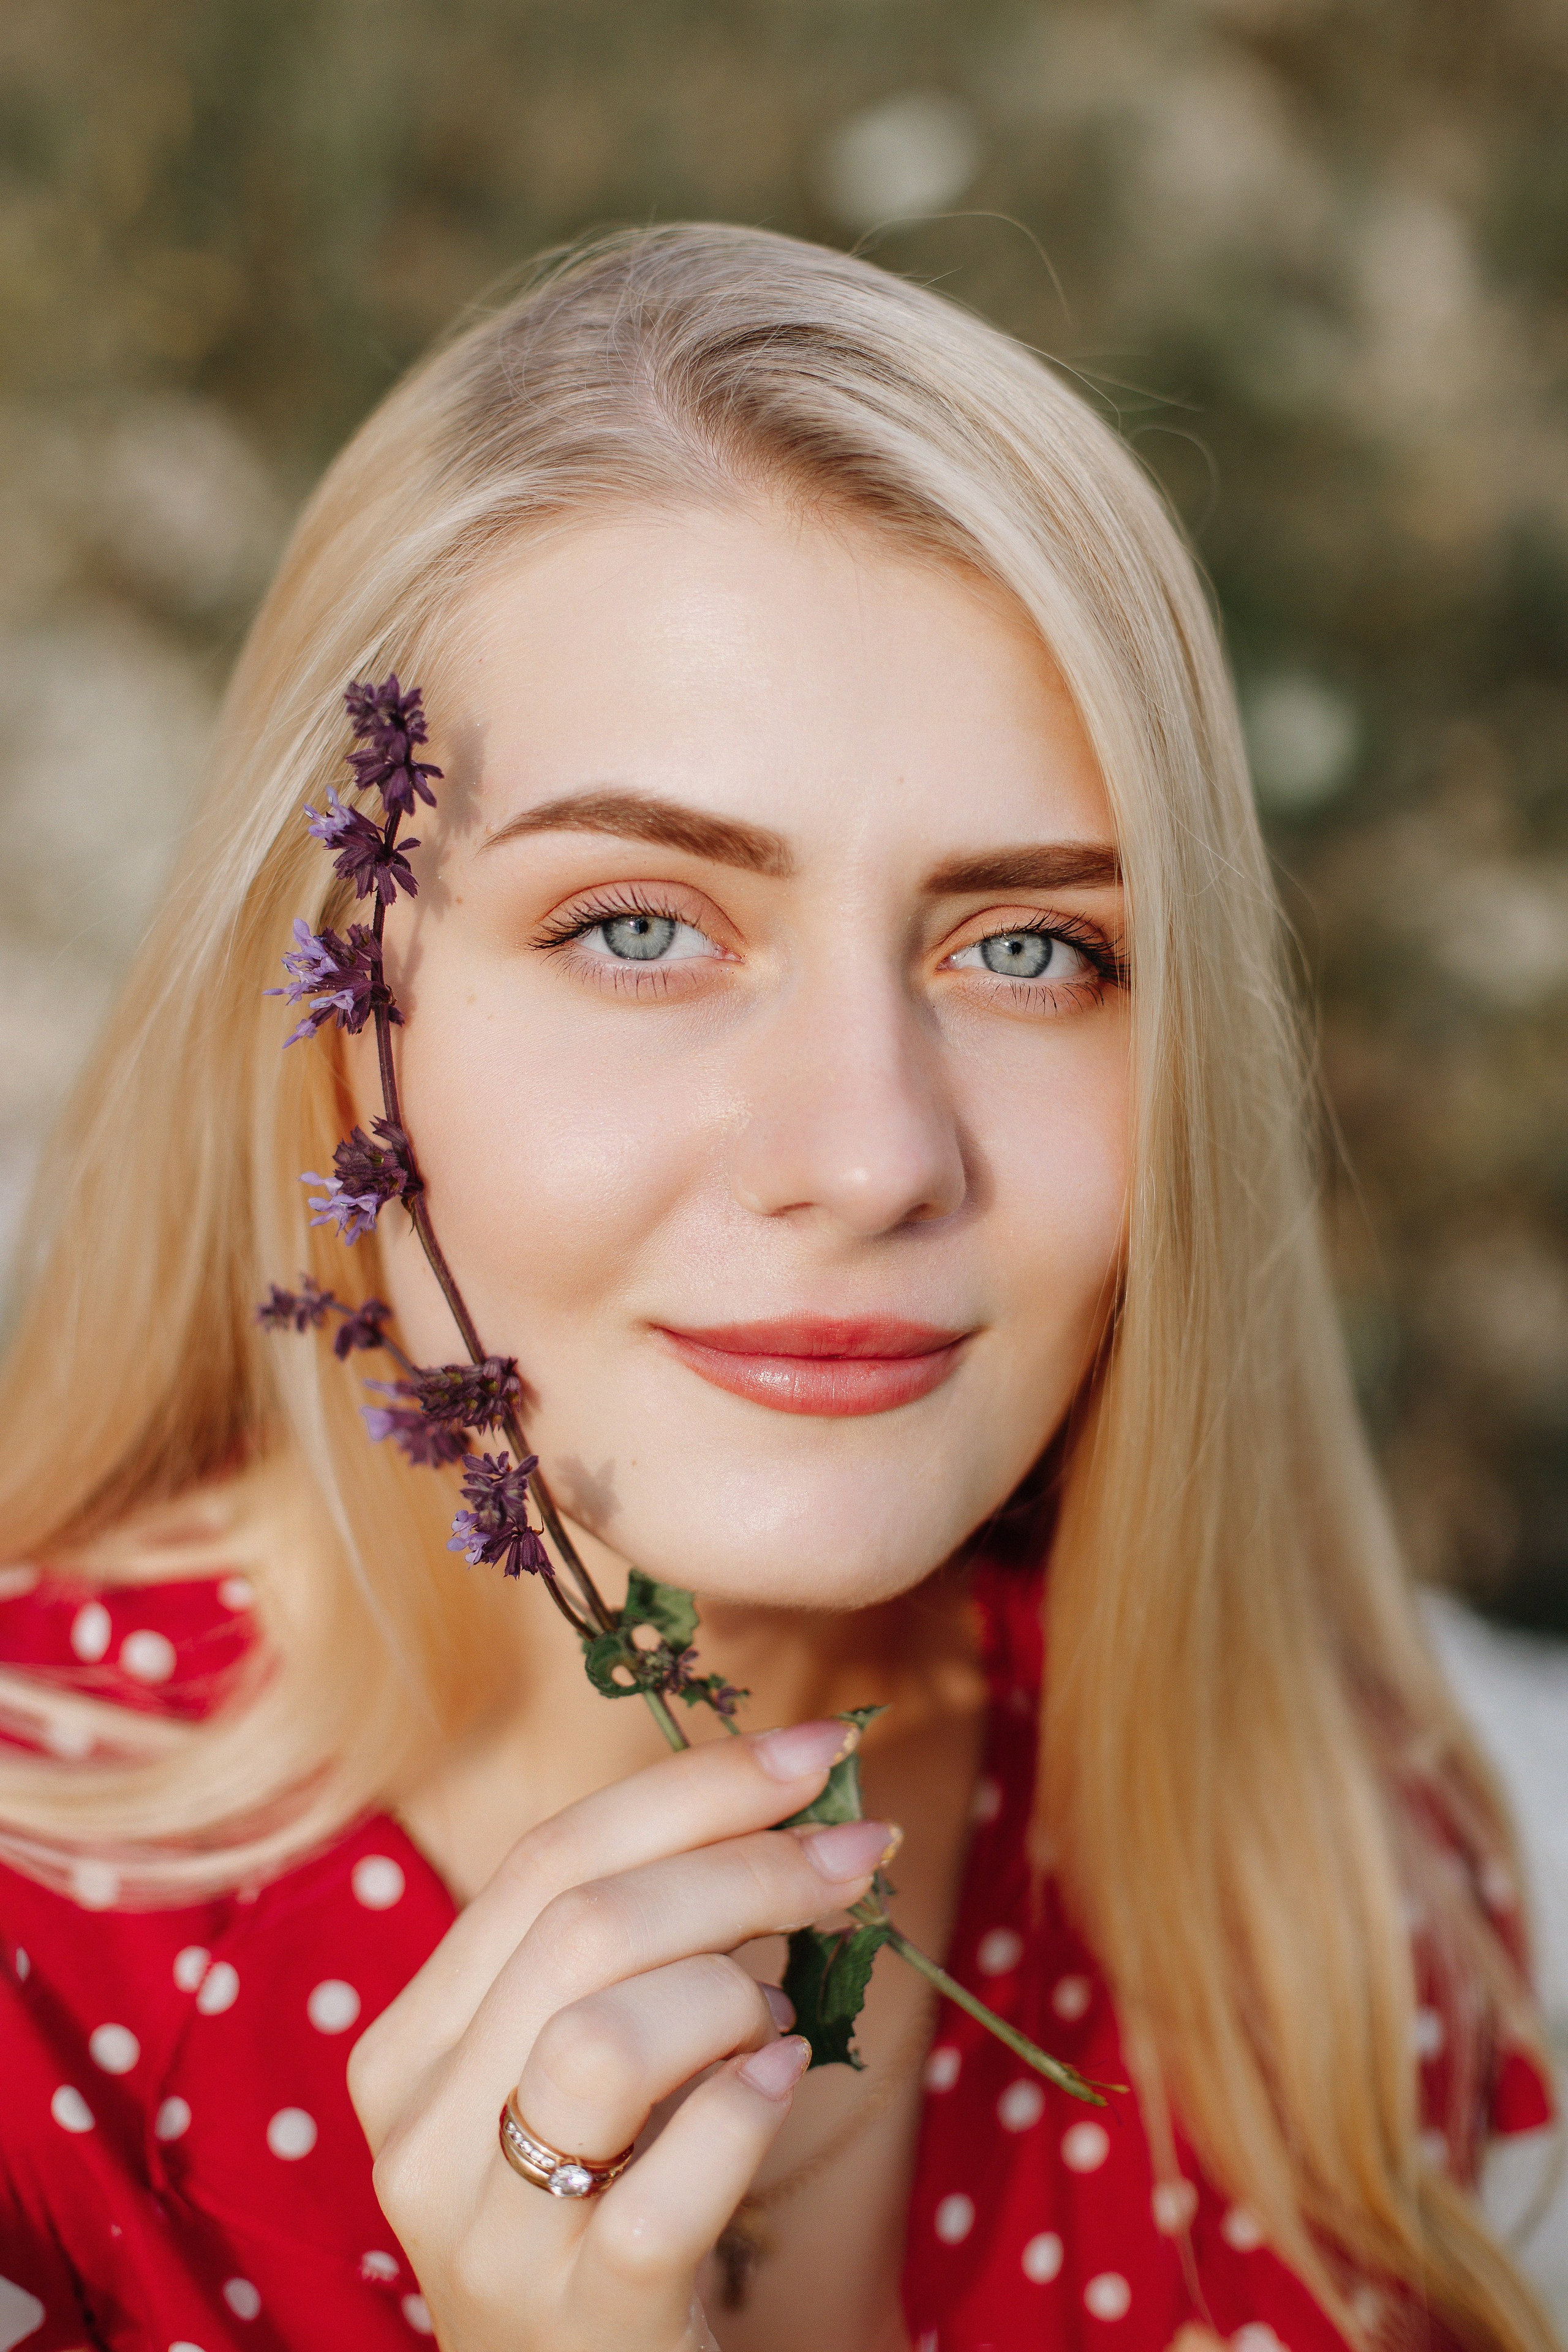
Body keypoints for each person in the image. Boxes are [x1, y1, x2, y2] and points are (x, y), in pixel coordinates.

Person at [0, 225, 1555, 2352]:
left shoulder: (1324, 1891)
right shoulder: (37, 2011)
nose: (868, 1156)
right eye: (639, 926)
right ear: (344, 1018)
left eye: (1029, 949)